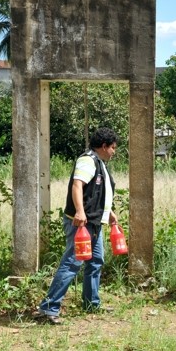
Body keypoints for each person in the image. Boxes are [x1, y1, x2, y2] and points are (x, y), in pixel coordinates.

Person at [36, 127, 119, 325]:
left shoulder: (99, 163)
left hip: (95, 222)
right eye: (113, 148)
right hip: (82, 223)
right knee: (72, 263)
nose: (114, 152)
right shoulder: (88, 160)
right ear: (104, 146)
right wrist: (80, 212)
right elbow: (77, 185)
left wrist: (110, 214)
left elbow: (99, 193)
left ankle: (91, 303)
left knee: (96, 261)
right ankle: (48, 309)